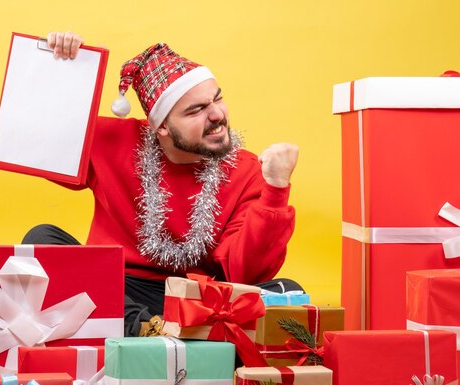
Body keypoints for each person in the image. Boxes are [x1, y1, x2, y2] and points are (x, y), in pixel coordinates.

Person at [23, 32, 300, 336]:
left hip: (199, 297)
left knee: (288, 293)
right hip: (116, 287)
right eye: (196, 110)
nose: (218, 115)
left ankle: (157, 336)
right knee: (42, 238)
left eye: (217, 98)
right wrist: (57, 67)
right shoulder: (113, 141)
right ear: (163, 126)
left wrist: (275, 191)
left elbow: (244, 272)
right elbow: (34, 140)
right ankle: (150, 332)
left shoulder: (248, 170)